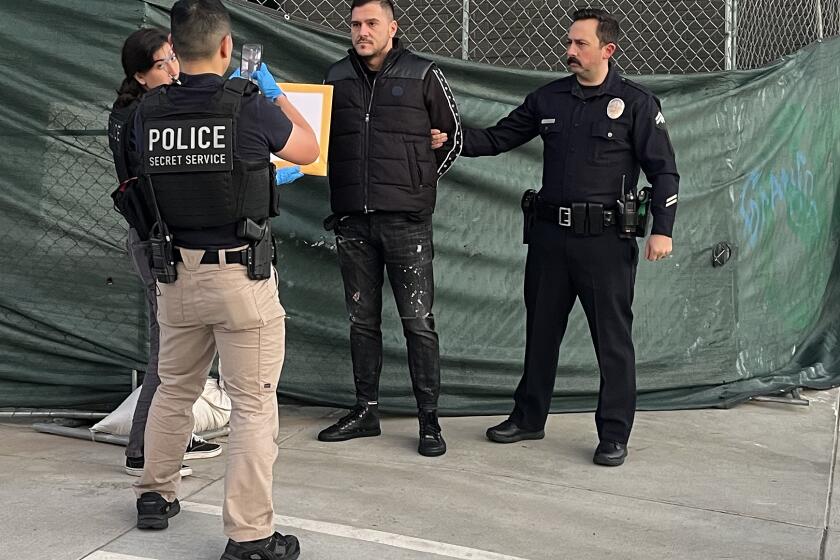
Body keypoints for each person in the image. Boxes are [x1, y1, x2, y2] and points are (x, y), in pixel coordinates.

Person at [128, 1, 318, 559]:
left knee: (172, 388)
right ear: (228, 48)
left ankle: (155, 495)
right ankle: (251, 535)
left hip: (174, 275)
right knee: (253, 405)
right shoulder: (251, 105)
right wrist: (272, 91)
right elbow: (307, 149)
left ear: (175, 48)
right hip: (239, 276)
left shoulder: (148, 111)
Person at [459, 7, 679, 467]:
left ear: (607, 49)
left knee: (612, 340)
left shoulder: (636, 104)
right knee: (540, 333)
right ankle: (528, 417)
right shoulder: (549, 99)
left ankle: (614, 433)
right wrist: (450, 139)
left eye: (580, 44)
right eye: (569, 43)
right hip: (549, 238)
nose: (570, 51)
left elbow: (664, 172)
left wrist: (662, 229)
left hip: (605, 242)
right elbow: (499, 138)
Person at [317, 0, 461, 457]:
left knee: (418, 323)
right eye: (356, 24)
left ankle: (429, 421)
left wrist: (416, 182)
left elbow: (452, 135)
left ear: (392, 28)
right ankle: (366, 411)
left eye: (371, 23)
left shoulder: (422, 72)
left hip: (407, 223)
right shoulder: (334, 77)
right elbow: (315, 141)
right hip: (352, 222)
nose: (362, 31)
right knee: (362, 321)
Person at [108, 28, 221, 479]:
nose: (174, 69)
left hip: (151, 237)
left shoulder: (134, 111)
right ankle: (143, 450)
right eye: (162, 63)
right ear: (139, 74)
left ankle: (169, 434)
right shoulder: (145, 114)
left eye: (174, 58)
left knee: (178, 344)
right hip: (157, 241)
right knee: (169, 351)